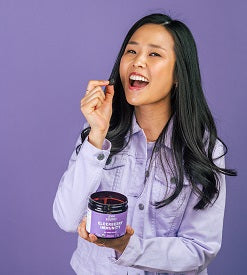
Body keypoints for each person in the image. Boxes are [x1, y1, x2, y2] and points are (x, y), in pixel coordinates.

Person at [53, 13, 236, 275]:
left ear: (179, 74)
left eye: (154, 54)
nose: (137, 61)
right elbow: (67, 219)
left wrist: (127, 246)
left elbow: (199, 250)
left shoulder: (205, 149)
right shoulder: (99, 132)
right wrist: (96, 136)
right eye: (131, 51)